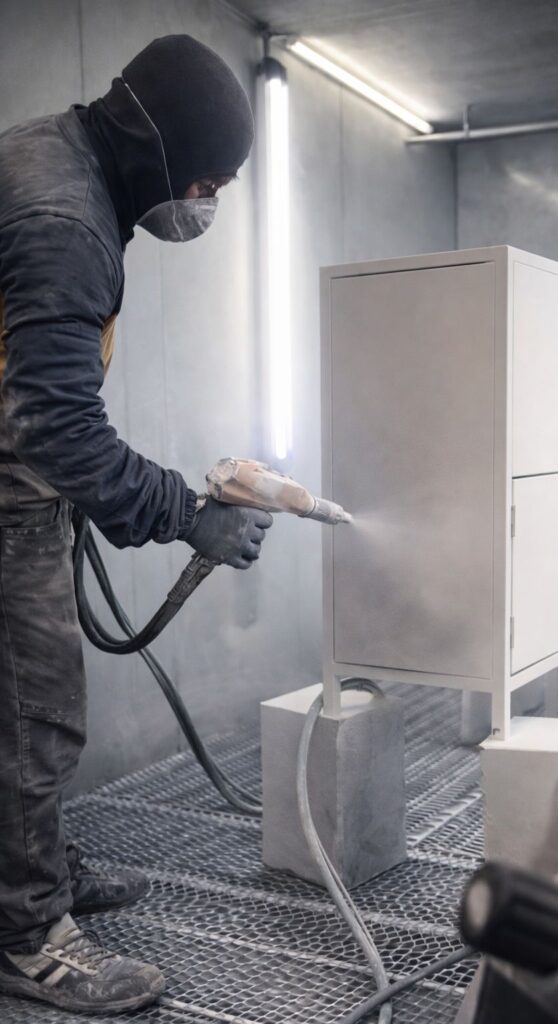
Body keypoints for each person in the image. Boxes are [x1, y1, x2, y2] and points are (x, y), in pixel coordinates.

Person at [0, 34, 272, 1013]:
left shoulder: (60, 162)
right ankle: (27, 933)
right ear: (163, 150)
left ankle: (29, 866)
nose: (207, 203)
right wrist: (189, 516)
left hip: (19, 479)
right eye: (208, 182)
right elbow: (55, 426)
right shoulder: (65, 217)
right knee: (35, 716)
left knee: (18, 714)